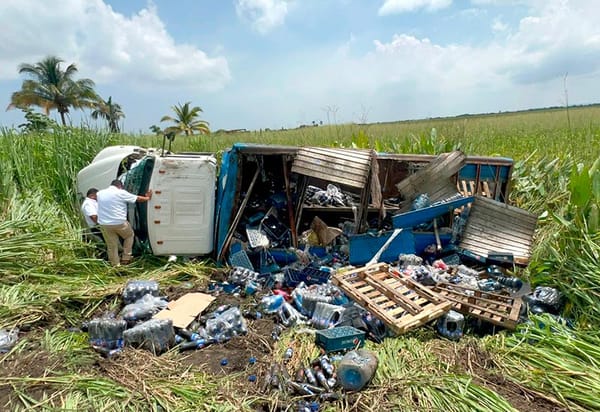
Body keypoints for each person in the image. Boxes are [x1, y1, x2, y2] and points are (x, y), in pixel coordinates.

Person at [97, 179, 152, 266]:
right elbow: (138, 199)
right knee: (129, 236)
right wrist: (147, 197)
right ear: (120, 186)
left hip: (105, 224)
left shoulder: (99, 193)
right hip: (119, 222)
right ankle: (126, 258)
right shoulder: (121, 193)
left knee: (112, 245)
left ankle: (115, 265)